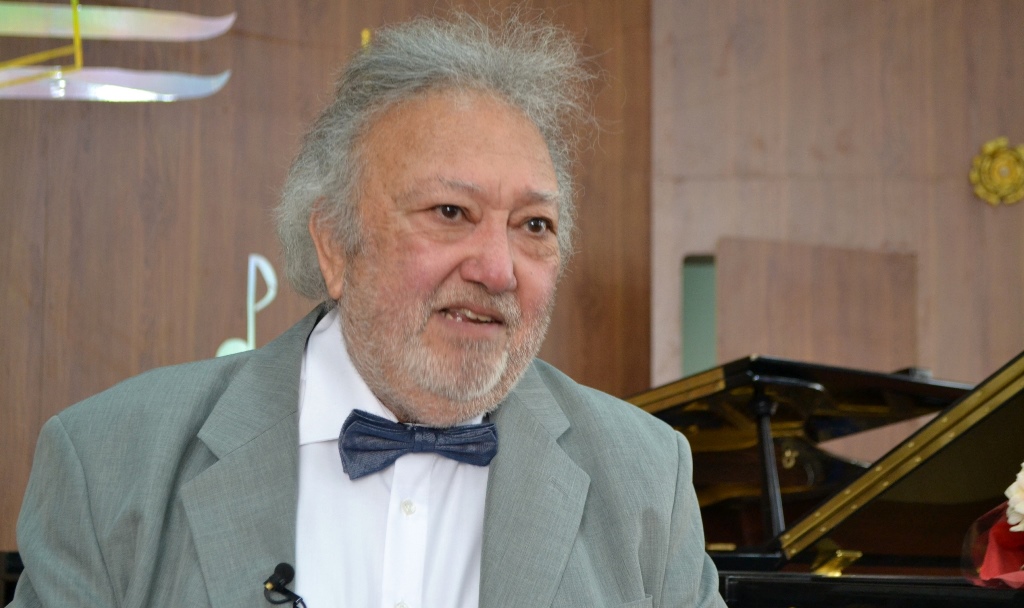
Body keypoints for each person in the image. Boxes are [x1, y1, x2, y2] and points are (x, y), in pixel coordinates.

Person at [10, 11, 726, 608]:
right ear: (334, 244)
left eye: (533, 225)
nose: (498, 269)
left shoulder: (646, 480)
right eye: (451, 212)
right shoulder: (108, 465)